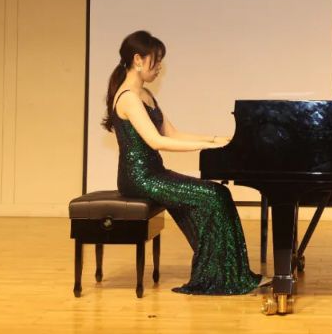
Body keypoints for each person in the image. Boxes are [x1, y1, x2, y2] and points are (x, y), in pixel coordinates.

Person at [102, 30, 261, 295]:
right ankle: (217, 277)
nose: (159, 67)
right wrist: (207, 146)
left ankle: (229, 274)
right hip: (139, 178)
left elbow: (172, 133)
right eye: (156, 61)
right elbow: (156, 141)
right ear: (138, 60)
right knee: (213, 196)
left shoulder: (145, 94)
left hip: (154, 173)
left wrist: (215, 139)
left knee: (219, 193)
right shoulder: (128, 97)